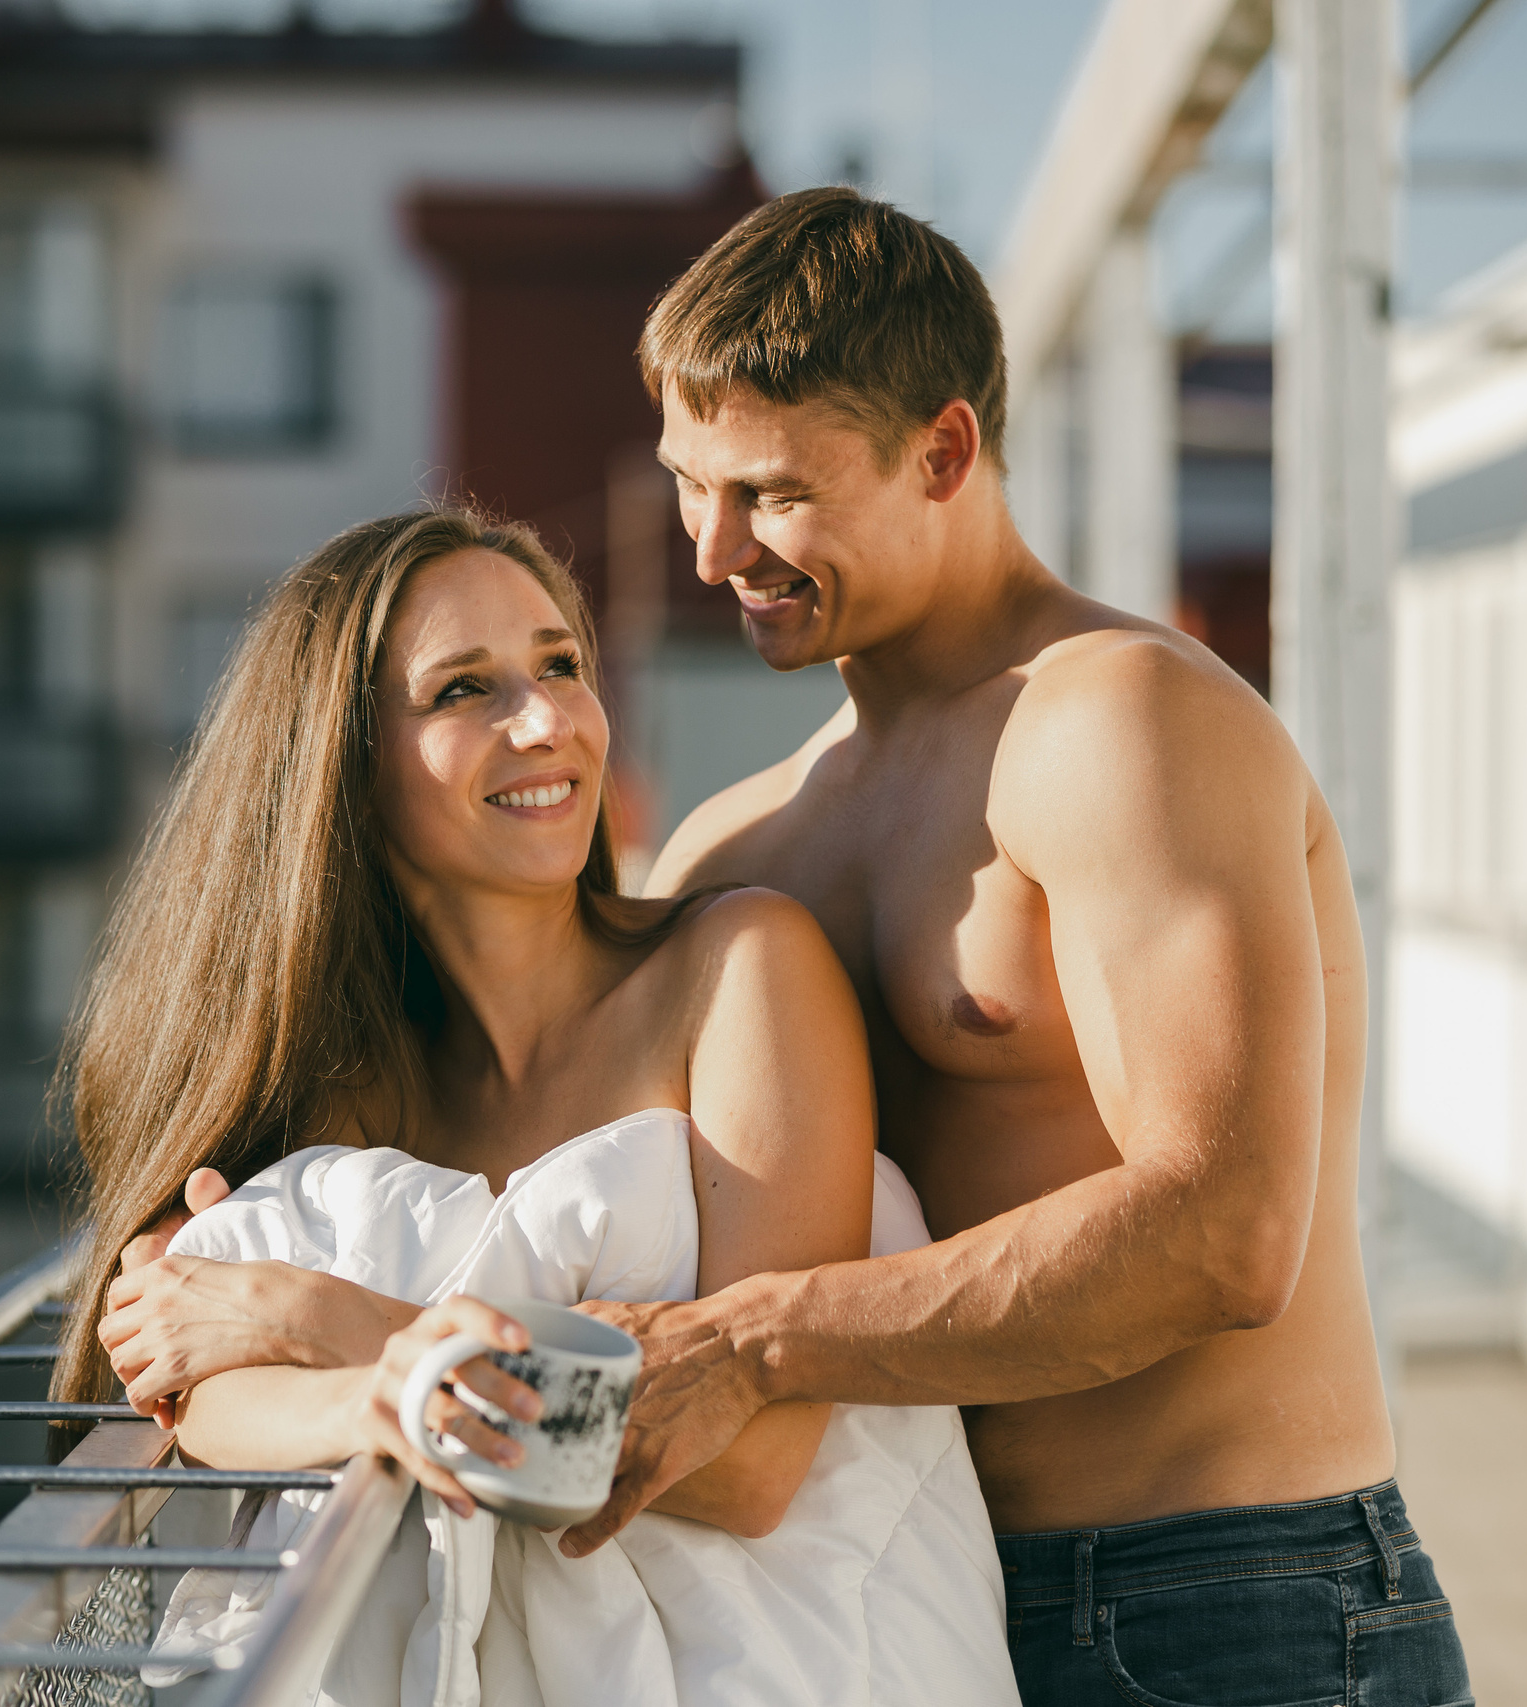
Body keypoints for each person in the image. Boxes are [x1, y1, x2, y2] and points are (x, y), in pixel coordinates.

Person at [540, 186, 1476, 1707]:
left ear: (947, 452)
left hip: (1227, 1601)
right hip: (910, 1607)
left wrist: (758, 1338)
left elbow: (1224, 1229)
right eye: (689, 486)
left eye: (771, 492)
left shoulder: (1119, 720)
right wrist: (280, 1250)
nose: (714, 552)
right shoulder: (738, 843)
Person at [57, 507, 1015, 1705]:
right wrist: (373, 1394)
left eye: (560, 664)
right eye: (465, 690)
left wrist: (318, 1313)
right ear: (345, 762)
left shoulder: (736, 970)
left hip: (788, 1664)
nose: (547, 720)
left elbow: (751, 1462)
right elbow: (202, 1395)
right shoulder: (347, 1085)